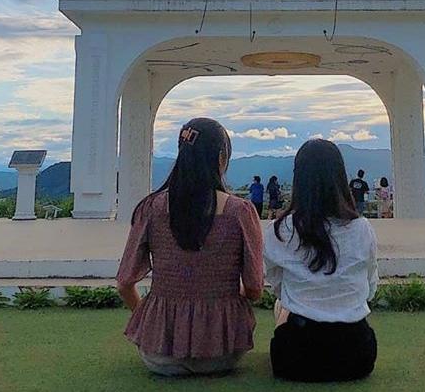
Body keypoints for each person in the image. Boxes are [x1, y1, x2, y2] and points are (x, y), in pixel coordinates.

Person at [116, 118, 264, 377]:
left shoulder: (151, 208)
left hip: (160, 356)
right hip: (223, 352)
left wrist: (150, 321)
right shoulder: (240, 212)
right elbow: (254, 288)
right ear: (221, 157)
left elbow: (124, 283)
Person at [263, 139, 379, 382]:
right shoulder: (362, 229)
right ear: (340, 177)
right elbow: (369, 288)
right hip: (357, 354)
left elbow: (279, 287)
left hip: (295, 357)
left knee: (281, 306)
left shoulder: (280, 230)